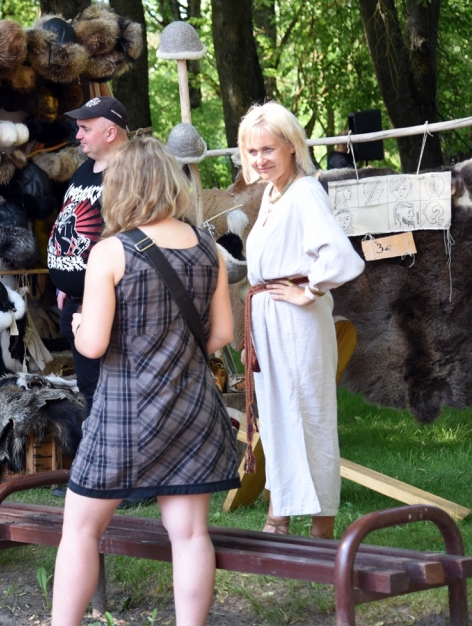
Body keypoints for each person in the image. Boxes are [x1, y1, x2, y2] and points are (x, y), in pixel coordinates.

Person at [51, 138, 240, 626]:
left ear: (121, 188)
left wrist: (76, 325)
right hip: (193, 409)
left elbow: (92, 345)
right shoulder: (208, 248)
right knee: (191, 535)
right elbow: (221, 334)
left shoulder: (110, 252)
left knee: (80, 531)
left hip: (123, 414)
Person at [237, 102, 364, 539]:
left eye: (268, 149)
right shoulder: (273, 194)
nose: (259, 159)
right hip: (270, 319)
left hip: (298, 320)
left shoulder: (307, 191)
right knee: (277, 417)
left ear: (291, 146)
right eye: (252, 151)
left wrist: (308, 290)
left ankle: (321, 524)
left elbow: (339, 255)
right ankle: (281, 510)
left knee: (308, 414)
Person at [46, 96, 130, 500]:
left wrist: (102, 292)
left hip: (107, 301)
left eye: (86, 127)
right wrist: (65, 285)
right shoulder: (85, 169)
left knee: (111, 389)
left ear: (110, 131)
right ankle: (94, 473)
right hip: (75, 299)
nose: (78, 134)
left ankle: (112, 478)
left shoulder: (129, 173)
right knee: (89, 387)